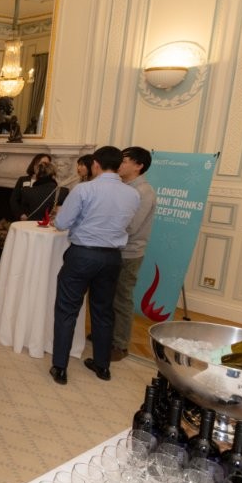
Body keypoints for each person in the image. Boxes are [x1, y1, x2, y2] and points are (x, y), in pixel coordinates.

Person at [49, 146, 140, 386]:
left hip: (83, 254)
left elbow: (62, 223)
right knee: (103, 311)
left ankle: (60, 367)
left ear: (96, 164)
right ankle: (102, 366)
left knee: (67, 309)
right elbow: (128, 225)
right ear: (118, 166)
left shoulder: (84, 189)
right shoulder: (132, 194)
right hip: (112, 258)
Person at [111, 146, 156, 362]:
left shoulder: (144, 192)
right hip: (113, 248)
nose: (119, 164)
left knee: (122, 299)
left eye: (125, 161)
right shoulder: (122, 187)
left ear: (139, 166)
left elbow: (131, 227)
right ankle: (109, 335)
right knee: (109, 296)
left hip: (129, 253)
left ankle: (120, 345)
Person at [9, 153, 53, 220]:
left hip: (41, 219)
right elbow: (13, 200)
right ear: (35, 164)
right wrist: (20, 214)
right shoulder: (22, 180)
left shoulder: (51, 183)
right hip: (24, 217)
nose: (44, 166)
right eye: (42, 163)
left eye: (47, 164)